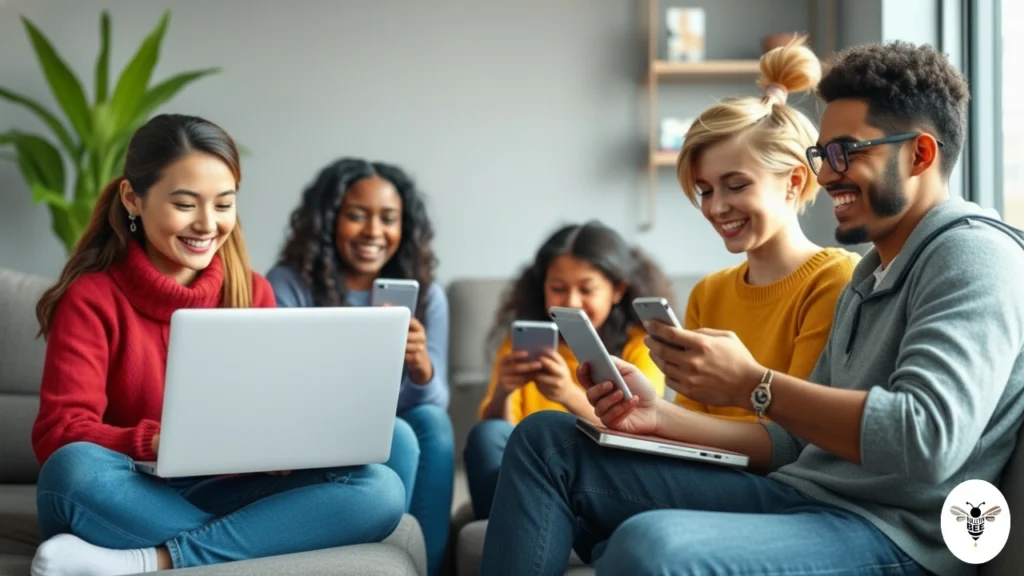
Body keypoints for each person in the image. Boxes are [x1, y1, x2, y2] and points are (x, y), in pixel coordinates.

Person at [478, 41, 1024, 576]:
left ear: (920, 154)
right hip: (807, 496)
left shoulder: (974, 255)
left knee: (649, 545)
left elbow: (926, 439)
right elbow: (799, 444)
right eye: (821, 154)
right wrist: (656, 415)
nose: (827, 172)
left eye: (844, 153)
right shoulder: (869, 272)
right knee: (546, 441)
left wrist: (755, 385)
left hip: (894, 531)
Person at [29, 115, 405, 576]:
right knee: (72, 472)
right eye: (185, 204)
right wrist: (159, 442)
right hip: (136, 489)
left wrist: (287, 444)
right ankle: (262, 537)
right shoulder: (91, 298)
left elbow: (274, 410)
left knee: (380, 489)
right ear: (133, 198)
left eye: (223, 204)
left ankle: (150, 559)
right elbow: (59, 432)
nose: (207, 224)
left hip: (230, 489)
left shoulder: (252, 291)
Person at [266, 158, 453, 576]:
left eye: (389, 218)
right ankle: (371, 557)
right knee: (399, 433)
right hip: (317, 426)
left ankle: (430, 567)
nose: (373, 232)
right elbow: (281, 386)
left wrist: (421, 367)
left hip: (399, 421)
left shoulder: (427, 295)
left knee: (431, 425)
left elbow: (436, 401)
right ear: (329, 220)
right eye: (356, 215)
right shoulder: (289, 284)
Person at [670, 37, 859, 421]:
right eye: (704, 191)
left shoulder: (834, 279)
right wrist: (642, 404)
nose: (716, 207)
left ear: (793, 182)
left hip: (776, 479)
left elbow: (798, 434)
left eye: (736, 185)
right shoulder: (709, 294)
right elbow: (686, 420)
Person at [464, 221, 673, 519]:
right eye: (558, 289)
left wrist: (567, 394)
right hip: (526, 474)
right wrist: (503, 391)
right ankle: (516, 517)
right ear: (542, 288)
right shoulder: (522, 343)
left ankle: (545, 516)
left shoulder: (641, 346)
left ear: (617, 290)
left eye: (587, 289)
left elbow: (640, 436)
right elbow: (499, 437)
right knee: (486, 433)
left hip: (599, 477)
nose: (572, 302)